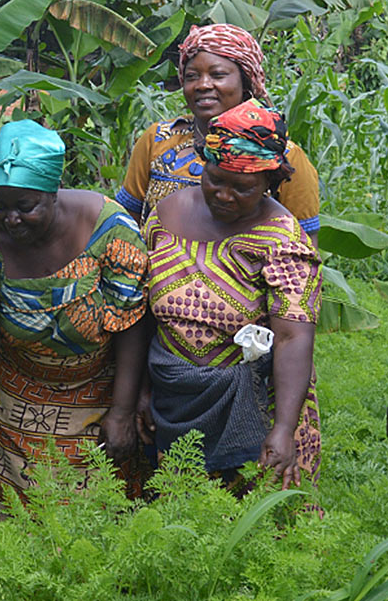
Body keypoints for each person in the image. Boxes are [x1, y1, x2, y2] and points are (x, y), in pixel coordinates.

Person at [0, 120, 149, 502]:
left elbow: (131, 322)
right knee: (25, 523)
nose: (11, 219)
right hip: (18, 408)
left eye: (25, 207)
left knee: (100, 520)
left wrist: (122, 411)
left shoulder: (108, 230)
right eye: (0, 206)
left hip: (100, 396)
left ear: (53, 194)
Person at [124, 99, 322, 491]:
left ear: (270, 182)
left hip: (256, 404)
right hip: (175, 396)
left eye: (243, 188)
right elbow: (143, 311)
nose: (225, 195)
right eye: (215, 180)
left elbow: (293, 335)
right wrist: (142, 390)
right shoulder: (164, 216)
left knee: (257, 528)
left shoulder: (283, 239)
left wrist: (283, 428)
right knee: (180, 520)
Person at [116, 23, 321, 243]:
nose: (203, 85)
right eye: (192, 76)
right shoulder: (157, 140)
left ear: (245, 81)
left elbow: (304, 251)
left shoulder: (282, 157)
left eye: (218, 75)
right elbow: (126, 225)